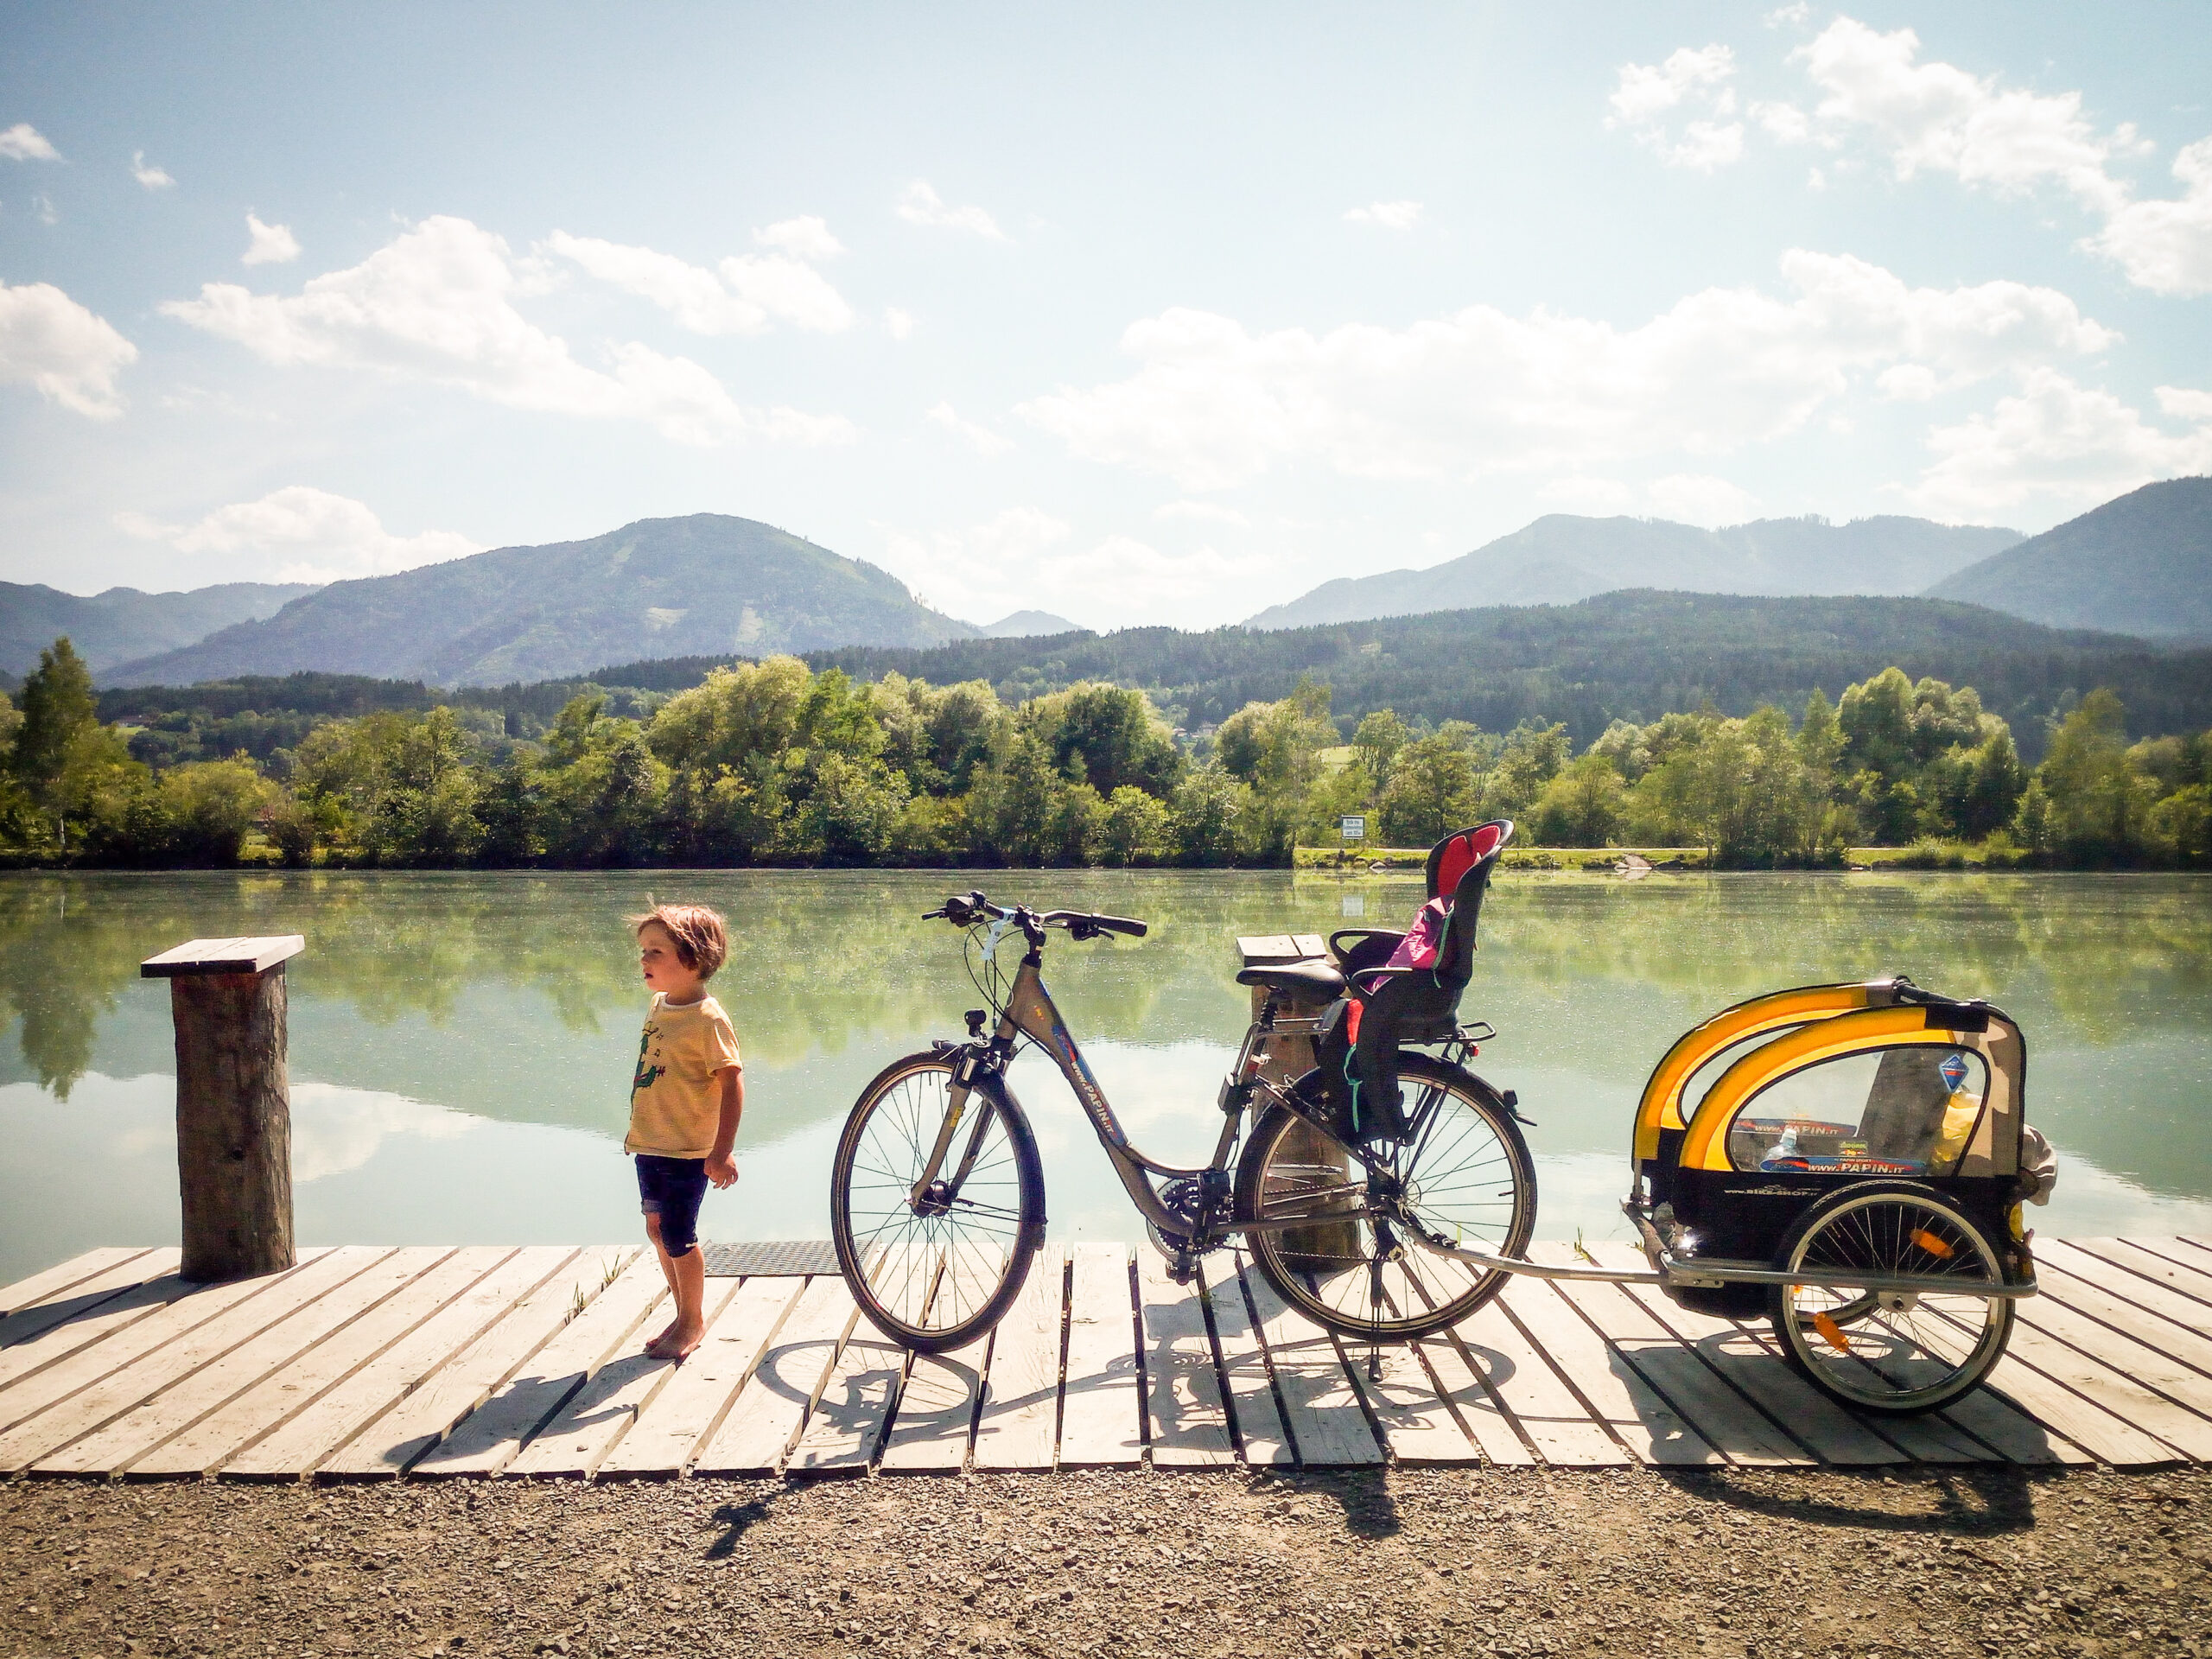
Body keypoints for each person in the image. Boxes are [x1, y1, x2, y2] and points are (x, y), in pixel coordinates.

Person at [626, 901, 742, 1360]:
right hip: (651, 1142)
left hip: (687, 1150)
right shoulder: (660, 1005)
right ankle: (681, 1313)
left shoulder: (708, 1019)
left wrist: (722, 1150)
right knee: (656, 1229)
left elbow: (732, 1084)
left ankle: (692, 1321)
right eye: (643, 951)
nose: (644, 960)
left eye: (656, 951)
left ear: (693, 959)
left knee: (678, 1234)